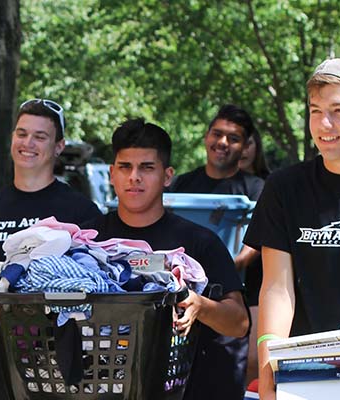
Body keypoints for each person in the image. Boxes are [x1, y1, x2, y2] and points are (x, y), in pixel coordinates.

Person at [244, 58, 340, 400]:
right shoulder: (284, 187)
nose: (324, 123)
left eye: (339, 111)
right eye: (314, 110)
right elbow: (277, 290)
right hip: (307, 373)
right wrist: (269, 370)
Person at [82, 118, 249, 400]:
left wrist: (201, 305)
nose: (134, 177)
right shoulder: (86, 241)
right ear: (111, 174)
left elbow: (240, 323)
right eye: (125, 167)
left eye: (147, 167)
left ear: (167, 176)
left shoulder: (200, 242)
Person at [0, 98, 102, 399]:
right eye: (21, 133)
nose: (28, 143)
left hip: (53, 366)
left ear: (58, 146)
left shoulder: (80, 211)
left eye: (40, 136)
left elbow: (96, 288)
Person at [169, 104, 264, 387]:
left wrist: (232, 263)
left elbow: (261, 236)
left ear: (246, 146)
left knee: (240, 374)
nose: (223, 143)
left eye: (233, 138)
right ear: (206, 136)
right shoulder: (182, 184)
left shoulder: (257, 188)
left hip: (243, 297)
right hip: (185, 296)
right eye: (217, 134)